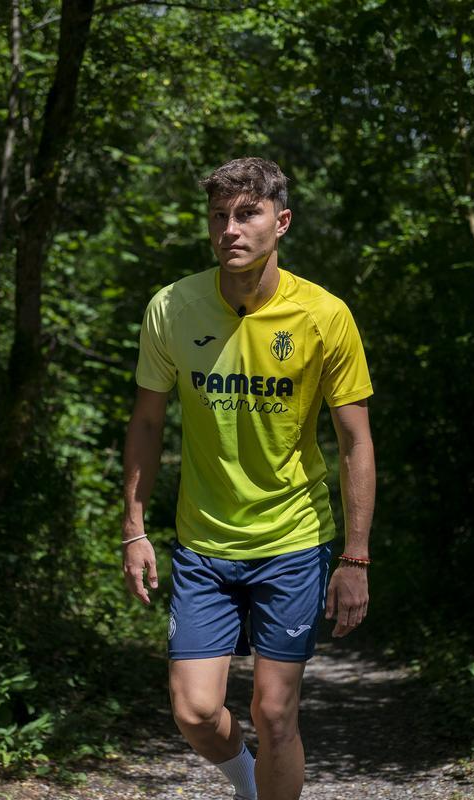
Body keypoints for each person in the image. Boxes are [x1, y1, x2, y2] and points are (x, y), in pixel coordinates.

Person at [120, 157, 376, 800]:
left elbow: (355, 440)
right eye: (217, 217)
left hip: (293, 539)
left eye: (246, 214)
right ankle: (251, 784)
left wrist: (355, 557)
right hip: (204, 542)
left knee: (274, 712)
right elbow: (147, 424)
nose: (228, 230)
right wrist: (134, 529)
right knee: (195, 713)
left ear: (280, 222)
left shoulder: (324, 315)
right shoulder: (172, 307)